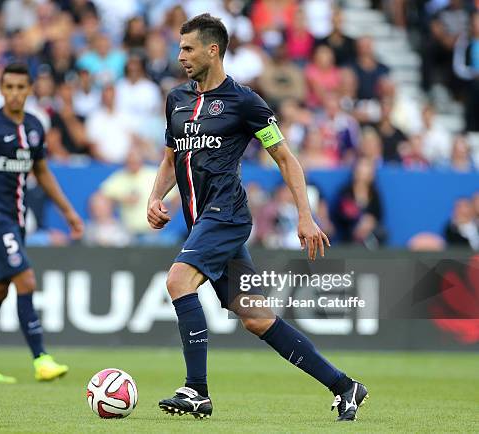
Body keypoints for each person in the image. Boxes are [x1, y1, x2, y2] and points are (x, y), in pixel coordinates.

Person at [147, 14, 368, 422]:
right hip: (201, 222)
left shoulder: (245, 102)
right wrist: (155, 197)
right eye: (180, 49)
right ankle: (344, 386)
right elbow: (170, 155)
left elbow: (285, 158)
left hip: (226, 215)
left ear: (213, 50)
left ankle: (197, 391)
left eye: (188, 49)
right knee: (256, 318)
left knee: (178, 281)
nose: (180, 57)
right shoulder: (176, 99)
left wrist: (306, 216)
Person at [0, 63, 84, 383]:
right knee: (25, 280)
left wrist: (68, 211)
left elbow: (41, 172)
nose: (14, 93)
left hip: (18, 219)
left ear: (29, 90)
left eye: (20, 87)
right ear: (1, 89)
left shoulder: (36, 126)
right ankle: (41, 359)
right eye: (8, 87)